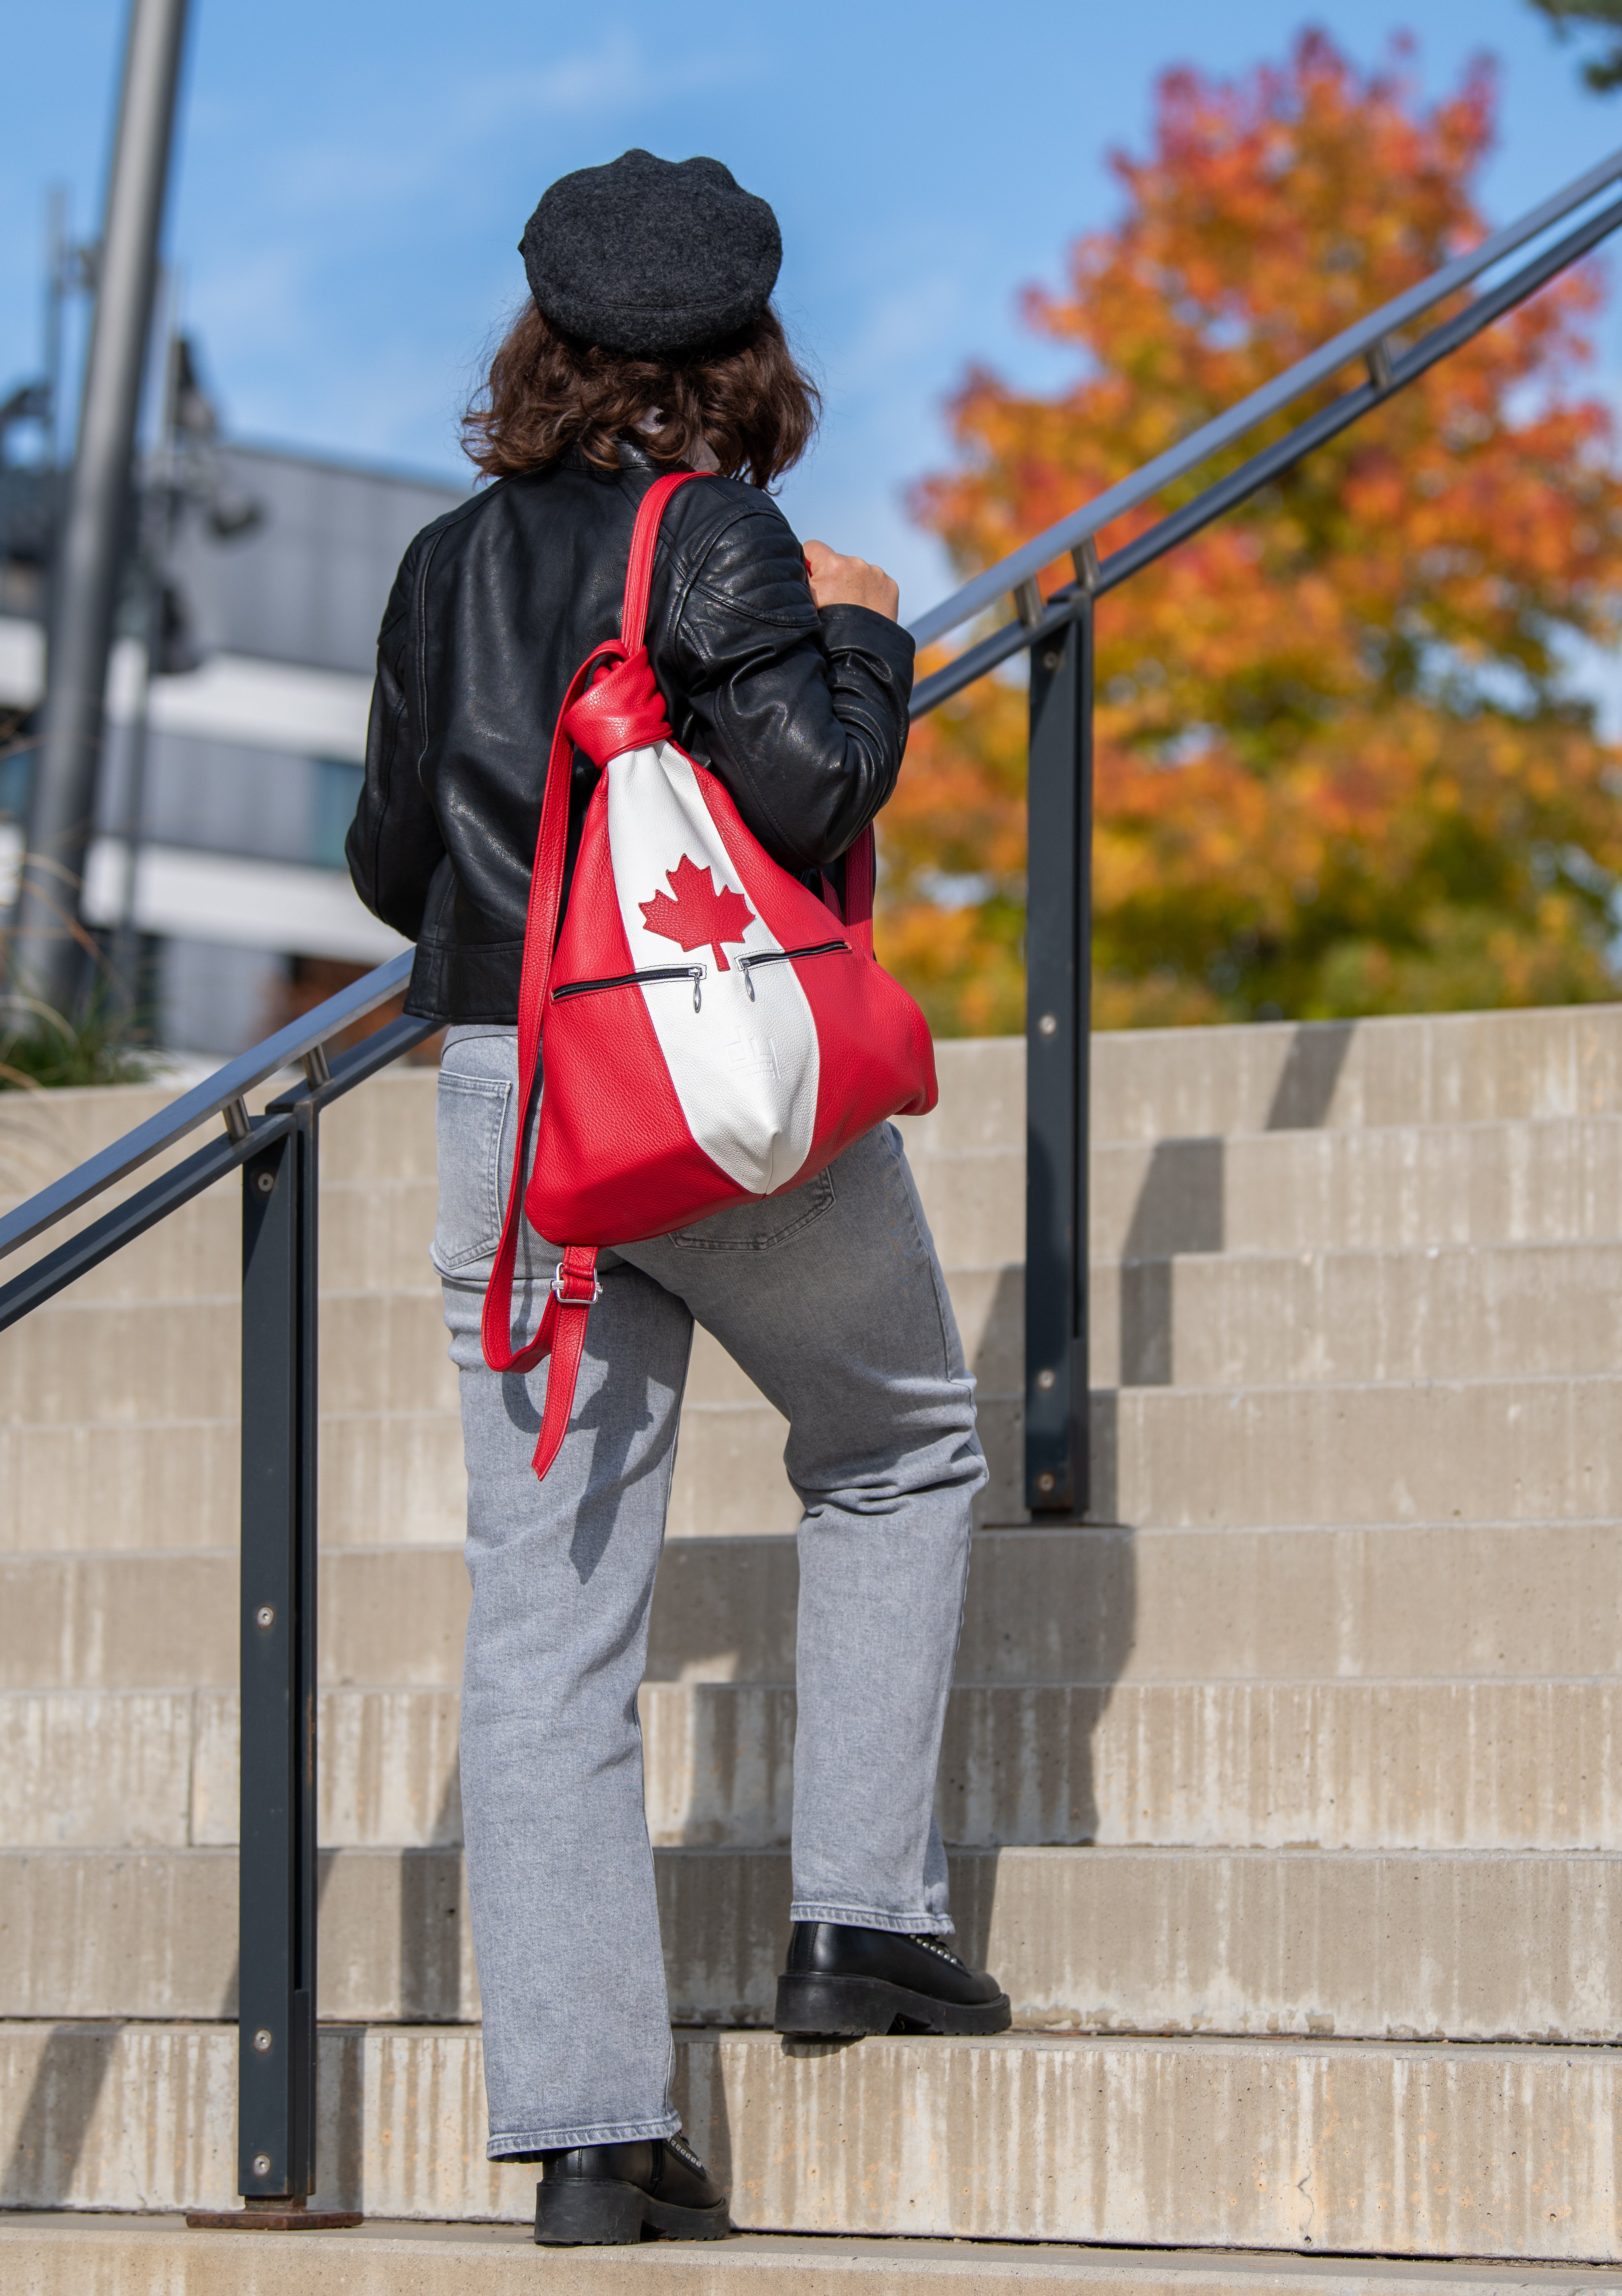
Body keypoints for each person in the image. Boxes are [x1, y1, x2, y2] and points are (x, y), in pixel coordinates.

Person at [347, 147, 1007, 2249]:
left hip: (508, 1104)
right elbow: (810, 800)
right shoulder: (713, 530)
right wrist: (862, 633)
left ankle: (585, 2140)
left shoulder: (447, 559)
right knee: (899, 1448)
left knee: (547, 1626)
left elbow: (388, 864)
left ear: (538, 343)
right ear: (743, 352)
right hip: (704, 1098)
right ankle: (856, 1922)